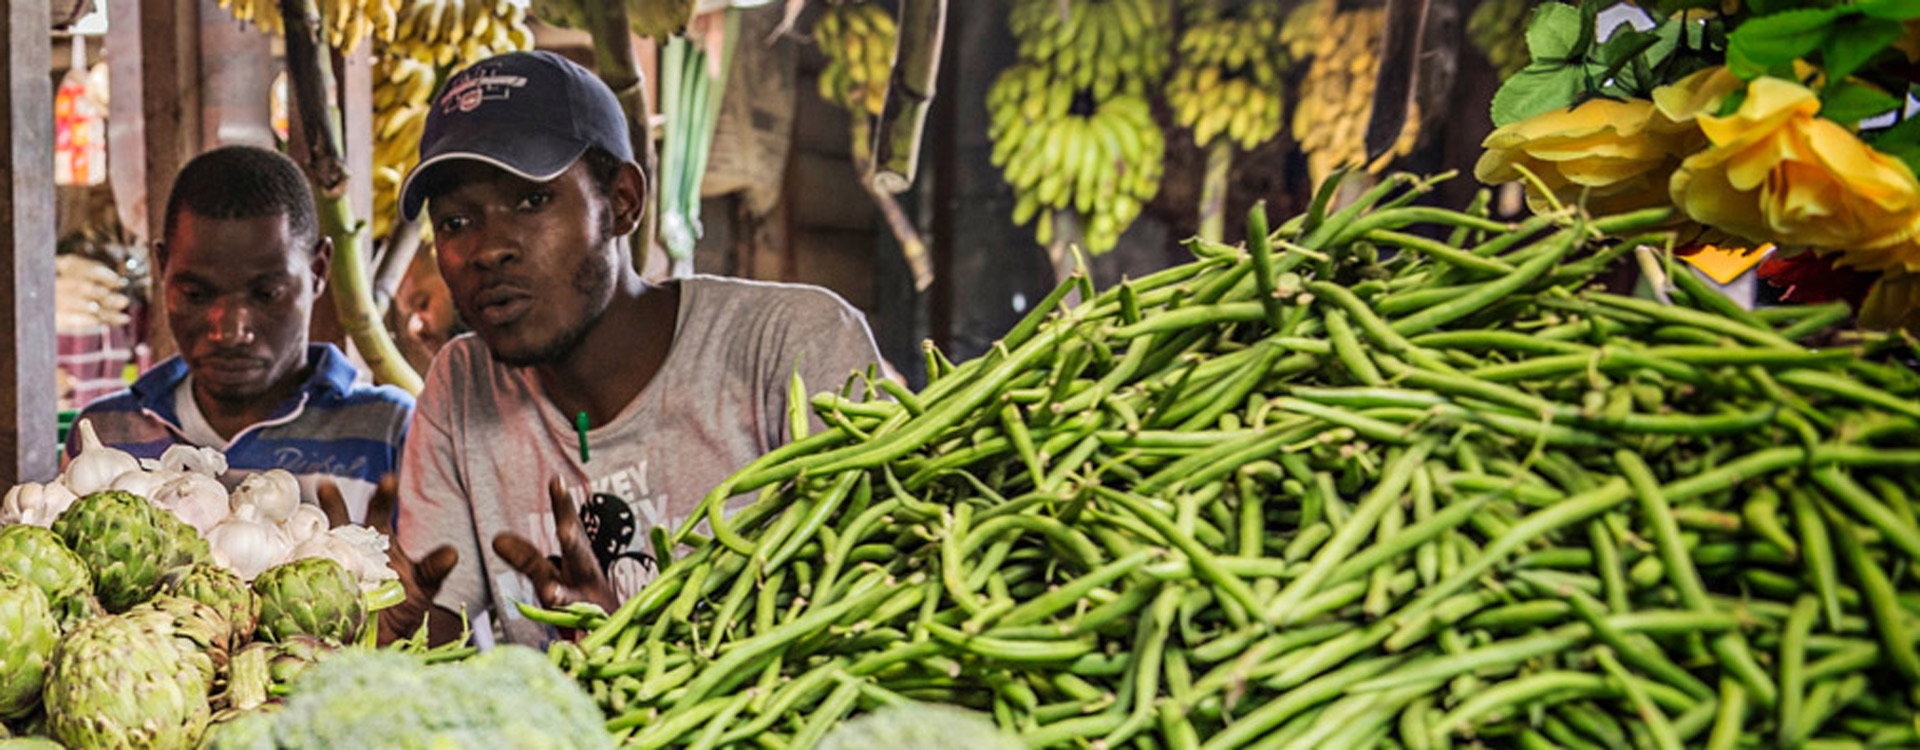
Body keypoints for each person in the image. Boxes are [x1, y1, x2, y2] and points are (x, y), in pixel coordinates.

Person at [387, 51, 886, 647]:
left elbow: (882, 606)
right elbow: (424, 638)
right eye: (455, 222)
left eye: (531, 201)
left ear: (622, 201)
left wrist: (630, 646)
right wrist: (379, 608)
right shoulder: (462, 386)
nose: (488, 250)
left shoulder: (791, 346)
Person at [69, 145, 414, 524]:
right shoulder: (106, 432)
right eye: (196, 294)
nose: (230, 331)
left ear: (317, 270)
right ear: (163, 269)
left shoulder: (388, 431)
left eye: (266, 294)